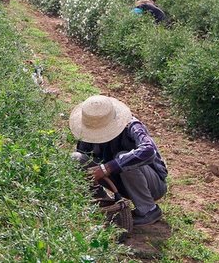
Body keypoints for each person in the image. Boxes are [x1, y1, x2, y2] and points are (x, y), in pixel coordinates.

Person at [70, 95, 168, 227]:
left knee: (123, 157)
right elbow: (84, 159)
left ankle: (148, 210)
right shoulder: (87, 132)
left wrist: (108, 168)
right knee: (76, 159)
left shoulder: (132, 126)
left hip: (152, 186)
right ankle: (104, 202)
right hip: (119, 182)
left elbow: (149, 151)